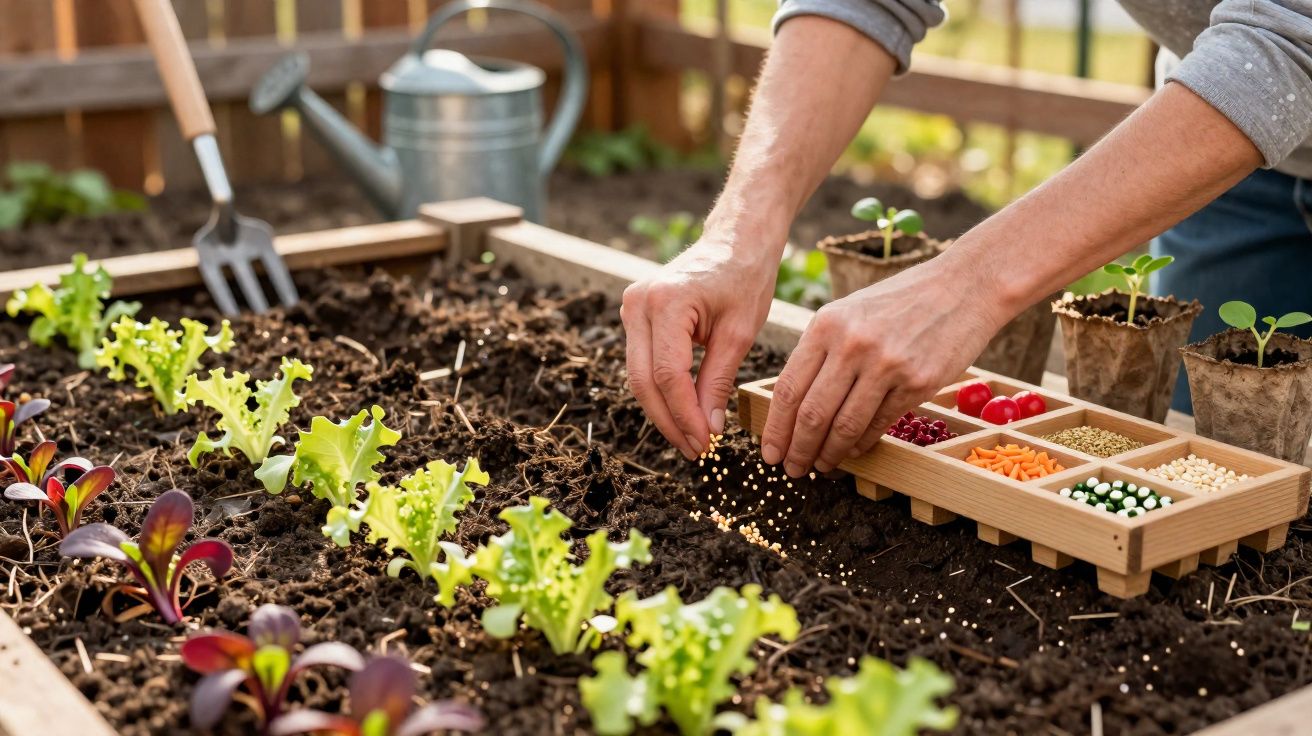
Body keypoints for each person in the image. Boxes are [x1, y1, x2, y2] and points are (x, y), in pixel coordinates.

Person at [620, 0, 1312, 477]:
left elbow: (1293, 31)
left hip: (1248, 96)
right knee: (1222, 483)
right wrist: (740, 232)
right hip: (1236, 152)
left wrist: (967, 285)